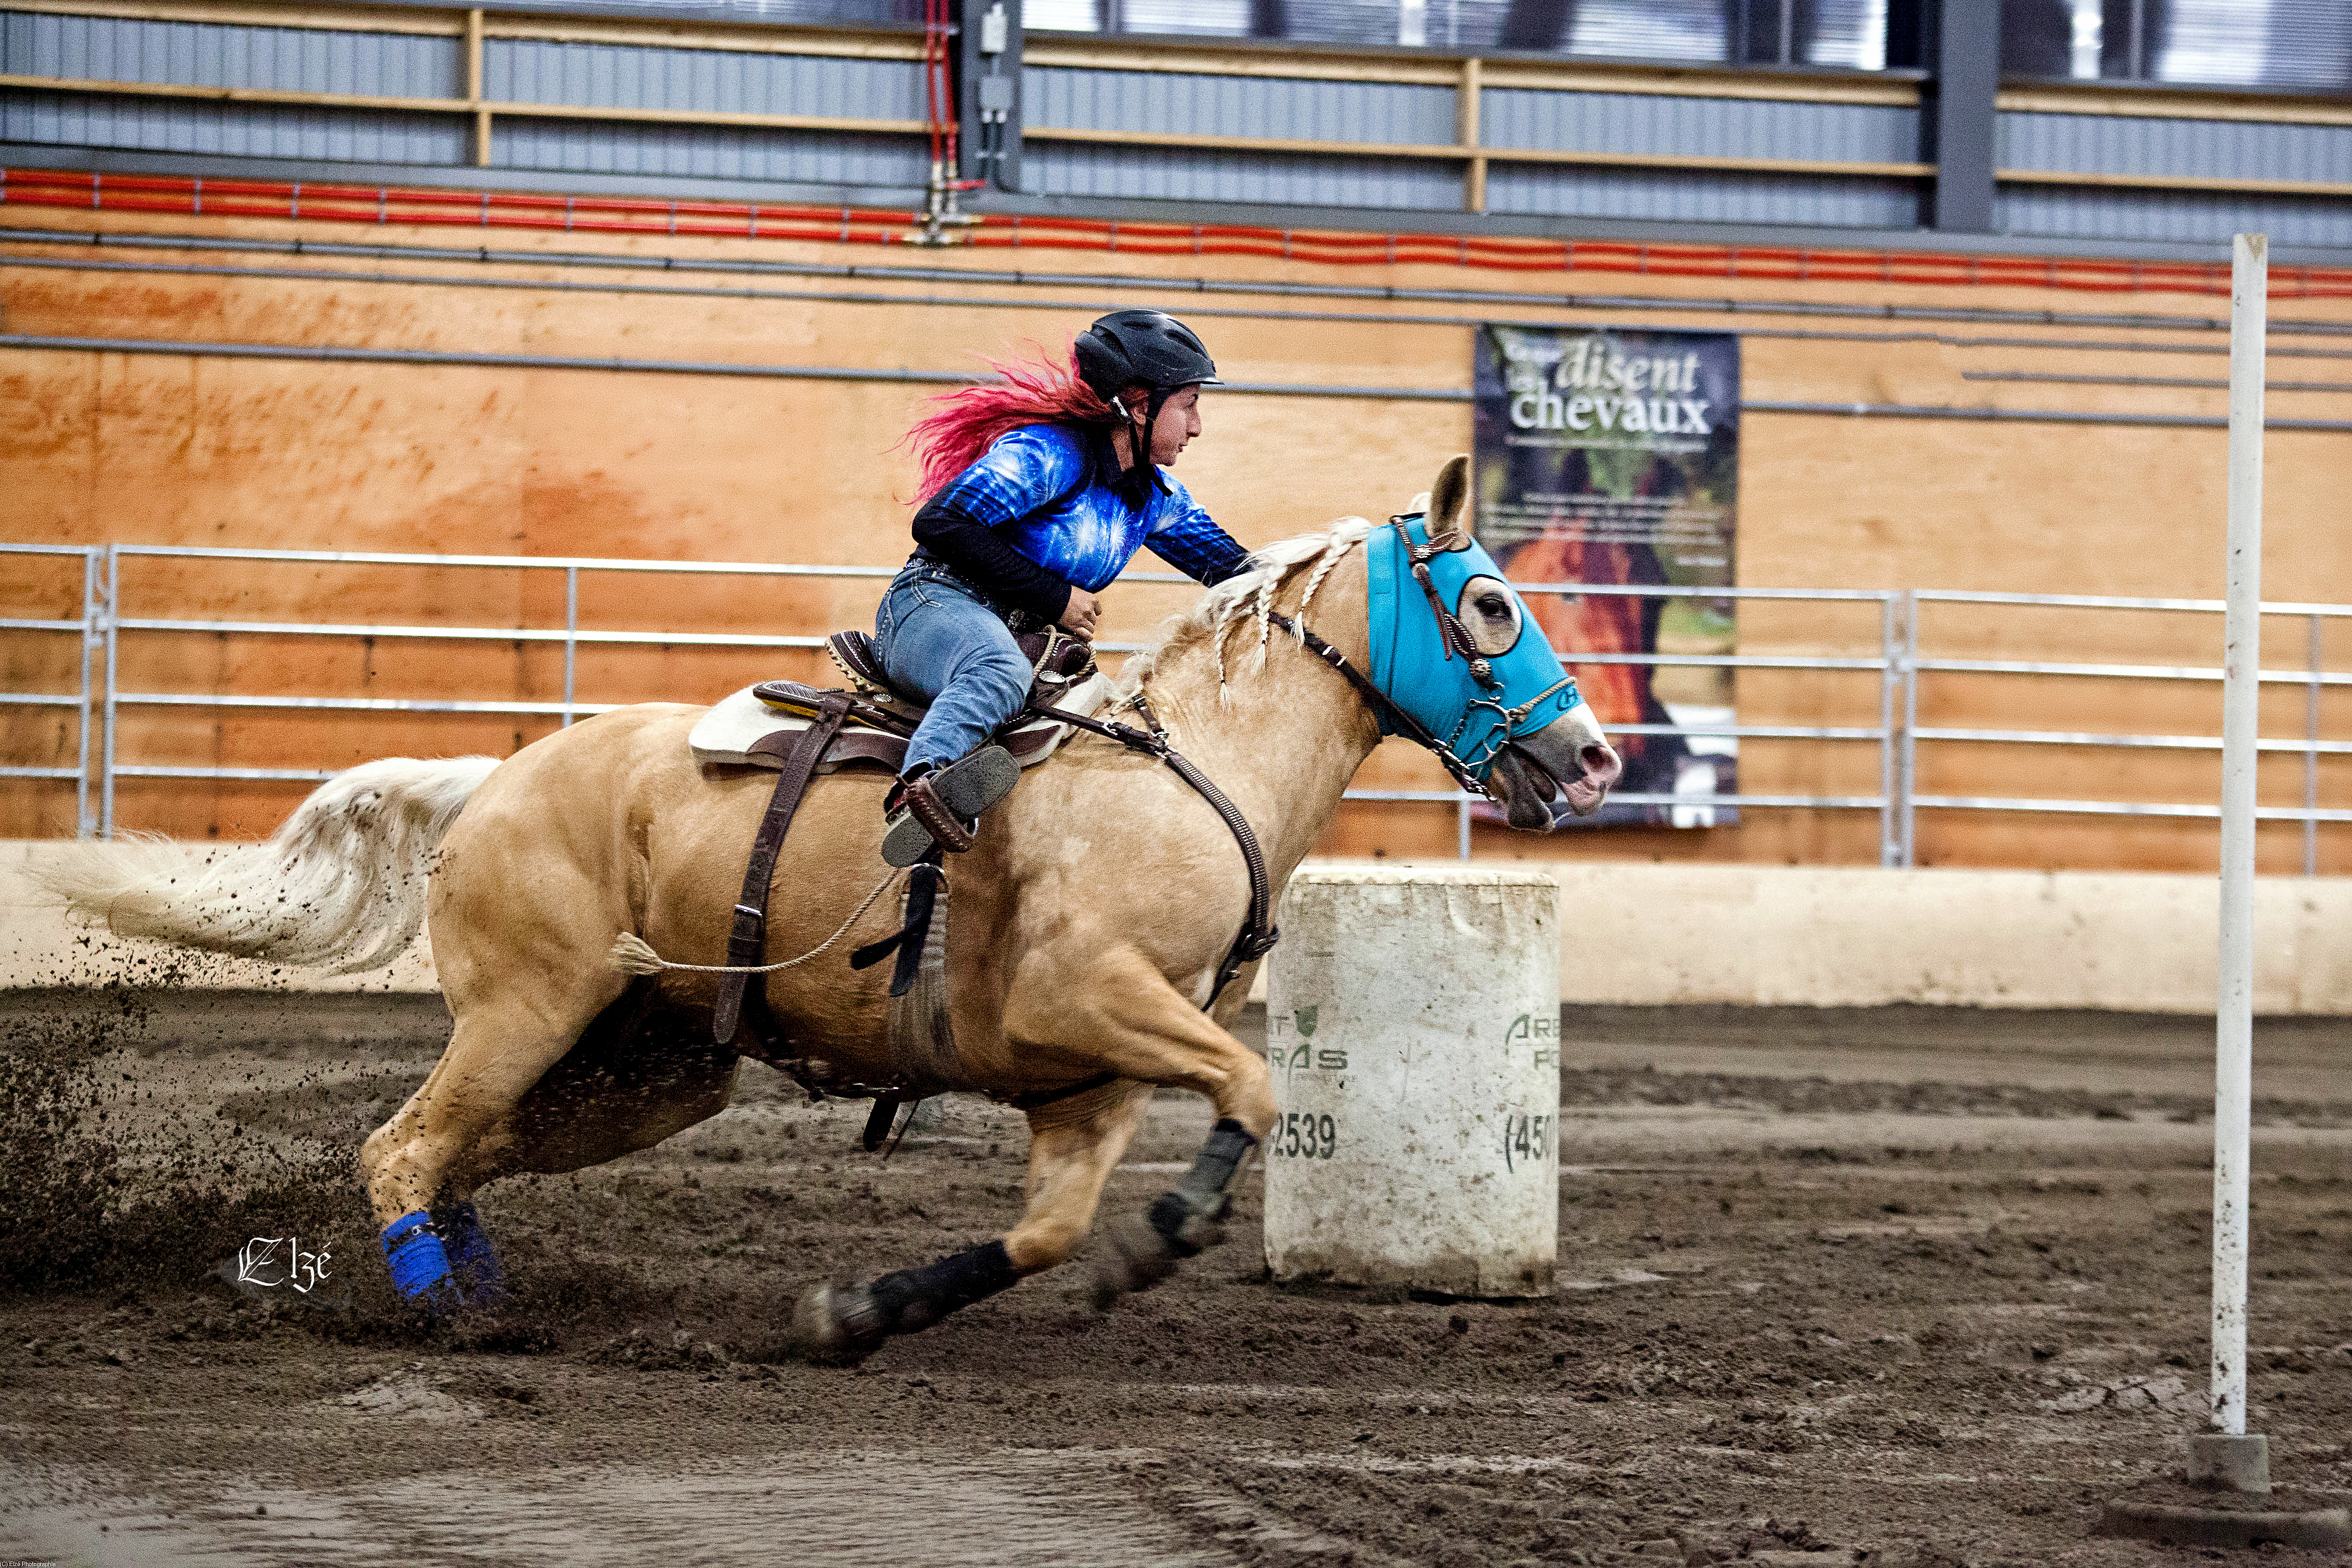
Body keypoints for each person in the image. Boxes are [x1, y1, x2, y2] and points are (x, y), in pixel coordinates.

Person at [874, 309, 1250, 866]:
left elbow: (1237, 571)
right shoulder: (1047, 454)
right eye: (1189, 404)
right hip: (932, 604)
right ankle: (919, 792)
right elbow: (939, 524)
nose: (1196, 426)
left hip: (1024, 637)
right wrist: (1054, 597)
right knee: (995, 671)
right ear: (1141, 405)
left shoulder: (1155, 497)